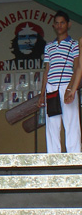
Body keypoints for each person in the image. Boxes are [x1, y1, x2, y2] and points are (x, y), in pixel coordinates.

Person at [38, 11, 80, 153]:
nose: (59, 25)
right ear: (53, 25)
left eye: (62, 22)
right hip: (51, 88)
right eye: (57, 23)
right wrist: (42, 93)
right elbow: (47, 70)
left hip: (68, 86)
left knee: (71, 123)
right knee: (52, 124)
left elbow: (77, 68)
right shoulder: (49, 46)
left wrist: (71, 88)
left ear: (68, 25)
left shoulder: (74, 45)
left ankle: (74, 157)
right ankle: (53, 157)